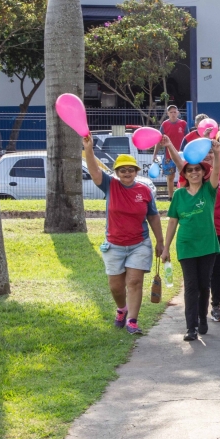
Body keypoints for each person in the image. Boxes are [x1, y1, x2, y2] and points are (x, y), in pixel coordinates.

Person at [160, 132, 220, 322]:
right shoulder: (189, 177)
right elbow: (179, 164)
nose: (208, 155)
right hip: (193, 233)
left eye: (211, 152)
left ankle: (215, 306)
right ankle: (195, 319)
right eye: (205, 152)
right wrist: (169, 146)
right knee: (195, 281)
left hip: (218, 228)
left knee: (215, 271)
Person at [83, 136, 163, 335]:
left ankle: (132, 321)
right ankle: (122, 309)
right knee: (115, 286)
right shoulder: (110, 185)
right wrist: (89, 149)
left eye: (131, 170)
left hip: (139, 243)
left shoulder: (144, 190)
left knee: (134, 282)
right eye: (122, 170)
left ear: (136, 172)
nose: (127, 173)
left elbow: (153, 217)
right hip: (114, 245)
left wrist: (160, 241)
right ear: (117, 172)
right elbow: (94, 171)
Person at [161, 137, 220, 341]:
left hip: (207, 245)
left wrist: (216, 153)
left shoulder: (209, 190)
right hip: (186, 245)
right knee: (191, 285)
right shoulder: (179, 195)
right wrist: (166, 247)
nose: (194, 172)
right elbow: (172, 222)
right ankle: (191, 327)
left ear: (202, 172)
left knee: (204, 284)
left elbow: (216, 172)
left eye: (198, 169)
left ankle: (202, 317)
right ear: (185, 174)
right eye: (190, 170)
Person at [152, 105, 188, 199]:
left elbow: (187, 139)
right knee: (170, 177)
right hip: (168, 155)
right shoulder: (164, 125)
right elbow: (159, 140)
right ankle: (171, 197)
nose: (173, 114)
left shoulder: (183, 124)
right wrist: (155, 154)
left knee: (184, 175)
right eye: (171, 112)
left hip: (181, 156)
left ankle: (183, 195)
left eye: (174, 112)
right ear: (168, 114)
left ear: (178, 113)